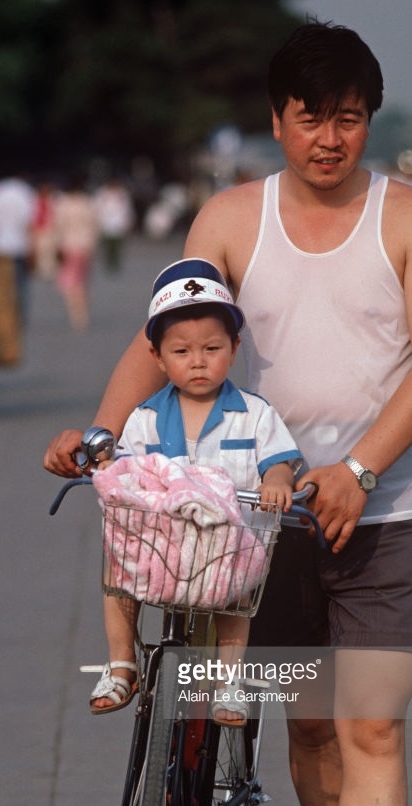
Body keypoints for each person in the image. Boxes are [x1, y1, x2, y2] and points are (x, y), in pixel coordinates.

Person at [44, 21, 412, 806]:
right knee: (310, 724)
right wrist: (101, 438)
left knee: (370, 723)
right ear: (277, 120)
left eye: (349, 119)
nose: (330, 138)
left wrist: (357, 470)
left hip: (388, 509)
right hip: (251, 516)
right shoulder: (233, 218)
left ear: (369, 122)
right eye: (310, 118)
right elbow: (160, 343)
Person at [89, 257, 300, 723]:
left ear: (234, 347)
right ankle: (122, 662)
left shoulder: (255, 413)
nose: (198, 361)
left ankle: (229, 680)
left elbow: (279, 461)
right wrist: (107, 469)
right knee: (117, 571)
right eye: (182, 352)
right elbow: (125, 471)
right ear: (158, 358)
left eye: (212, 348)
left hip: (225, 547)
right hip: (158, 546)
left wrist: (277, 481)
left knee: (237, 591)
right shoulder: (142, 418)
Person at [0, 171, 36, 326]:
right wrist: (32, 250)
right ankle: (19, 319)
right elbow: (29, 224)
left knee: (2, 289)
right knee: (21, 288)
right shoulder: (24, 191)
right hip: (19, 246)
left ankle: (5, 320)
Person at [53, 172, 98, 331]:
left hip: (68, 245)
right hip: (85, 246)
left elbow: (58, 227)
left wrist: (56, 246)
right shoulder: (88, 203)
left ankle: (76, 314)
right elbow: (95, 225)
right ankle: (83, 313)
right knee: (83, 281)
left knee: (70, 282)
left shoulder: (63, 204)